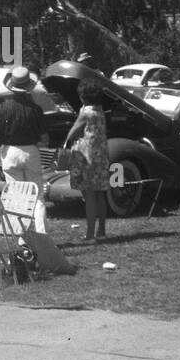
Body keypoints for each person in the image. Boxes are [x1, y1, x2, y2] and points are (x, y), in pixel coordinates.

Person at [0, 65, 48, 234]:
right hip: (30, 151)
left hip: (10, 152)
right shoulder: (35, 110)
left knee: (17, 196)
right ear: (28, 86)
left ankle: (19, 234)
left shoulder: (3, 108)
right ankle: (41, 235)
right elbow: (44, 139)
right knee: (37, 197)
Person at [62, 79, 109, 241]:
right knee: (99, 193)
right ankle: (101, 230)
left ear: (83, 97)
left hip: (86, 157)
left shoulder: (86, 112)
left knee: (88, 195)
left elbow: (73, 131)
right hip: (100, 155)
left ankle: (90, 234)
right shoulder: (100, 110)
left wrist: (66, 143)